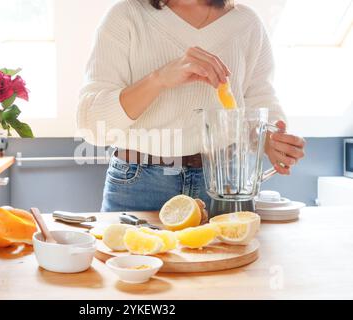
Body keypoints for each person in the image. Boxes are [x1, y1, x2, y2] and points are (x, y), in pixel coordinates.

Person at [77, 0, 306, 212]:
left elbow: (260, 103)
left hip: (223, 183)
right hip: (140, 184)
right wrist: (159, 79)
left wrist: (272, 141)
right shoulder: (126, 16)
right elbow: (92, 126)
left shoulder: (247, 23)